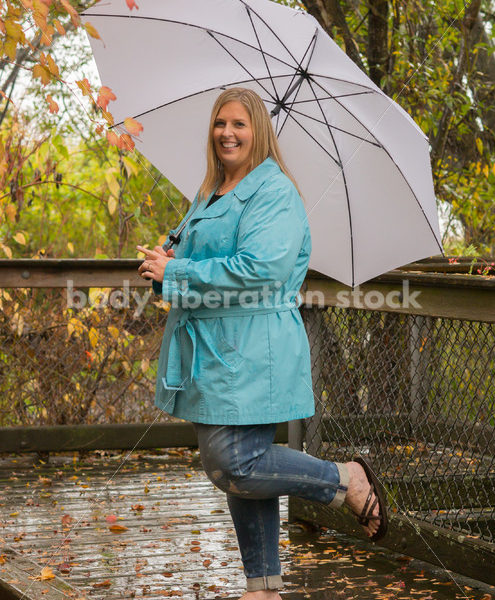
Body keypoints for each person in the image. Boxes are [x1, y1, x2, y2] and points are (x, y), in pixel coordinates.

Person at [137, 88, 387, 600]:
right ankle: (263, 587)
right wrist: (162, 262)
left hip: (254, 347)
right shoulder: (213, 190)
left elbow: (261, 271)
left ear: (259, 132)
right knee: (244, 464)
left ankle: (345, 479)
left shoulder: (274, 192)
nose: (227, 133)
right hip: (214, 346)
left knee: (233, 461)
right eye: (220, 123)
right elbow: (195, 251)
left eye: (239, 125)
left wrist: (179, 270)